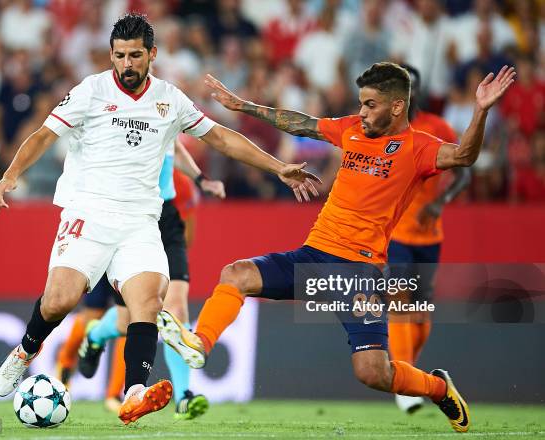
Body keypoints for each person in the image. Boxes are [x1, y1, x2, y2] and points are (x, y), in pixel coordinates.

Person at [0, 13, 318, 426]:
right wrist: (10, 174)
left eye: (135, 56)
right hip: (88, 214)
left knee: (149, 302)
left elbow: (219, 136)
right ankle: (25, 350)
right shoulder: (90, 91)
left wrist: (278, 168)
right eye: (120, 56)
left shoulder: (170, 99)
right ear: (111, 55)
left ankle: (133, 393)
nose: (127, 64)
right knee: (58, 300)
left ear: (152, 55)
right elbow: (43, 135)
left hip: (140, 221)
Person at [157, 62, 515, 433]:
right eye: (361, 103)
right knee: (236, 273)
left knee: (373, 373)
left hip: (359, 272)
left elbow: (464, 156)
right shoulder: (353, 130)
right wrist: (243, 105)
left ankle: (438, 388)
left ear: (396, 106)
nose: (361, 112)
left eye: (370, 105)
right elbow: (301, 122)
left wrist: (481, 110)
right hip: (314, 256)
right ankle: (199, 343)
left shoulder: (419, 148)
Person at [56, 138, 224, 420]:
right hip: (127, 219)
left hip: (165, 222)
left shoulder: (180, 183)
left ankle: (183, 397)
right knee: (126, 321)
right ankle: (96, 335)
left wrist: (201, 178)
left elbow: (173, 144)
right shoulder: (121, 119)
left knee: (176, 308)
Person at [387, 65, 470, 414]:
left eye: (411, 89)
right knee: (400, 302)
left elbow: (465, 170)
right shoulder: (386, 130)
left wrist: (440, 202)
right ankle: (404, 387)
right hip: (397, 232)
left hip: (430, 235)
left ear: (416, 92)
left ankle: (409, 370)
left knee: (420, 311)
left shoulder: (437, 128)